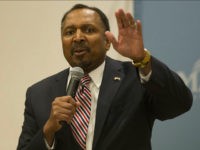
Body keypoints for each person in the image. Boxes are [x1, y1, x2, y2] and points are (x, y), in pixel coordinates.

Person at [17, 3, 193, 150]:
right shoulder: (38, 94)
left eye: (88, 29)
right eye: (69, 32)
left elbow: (180, 104)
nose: (78, 37)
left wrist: (142, 59)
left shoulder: (135, 78)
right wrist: (48, 130)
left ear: (108, 41)